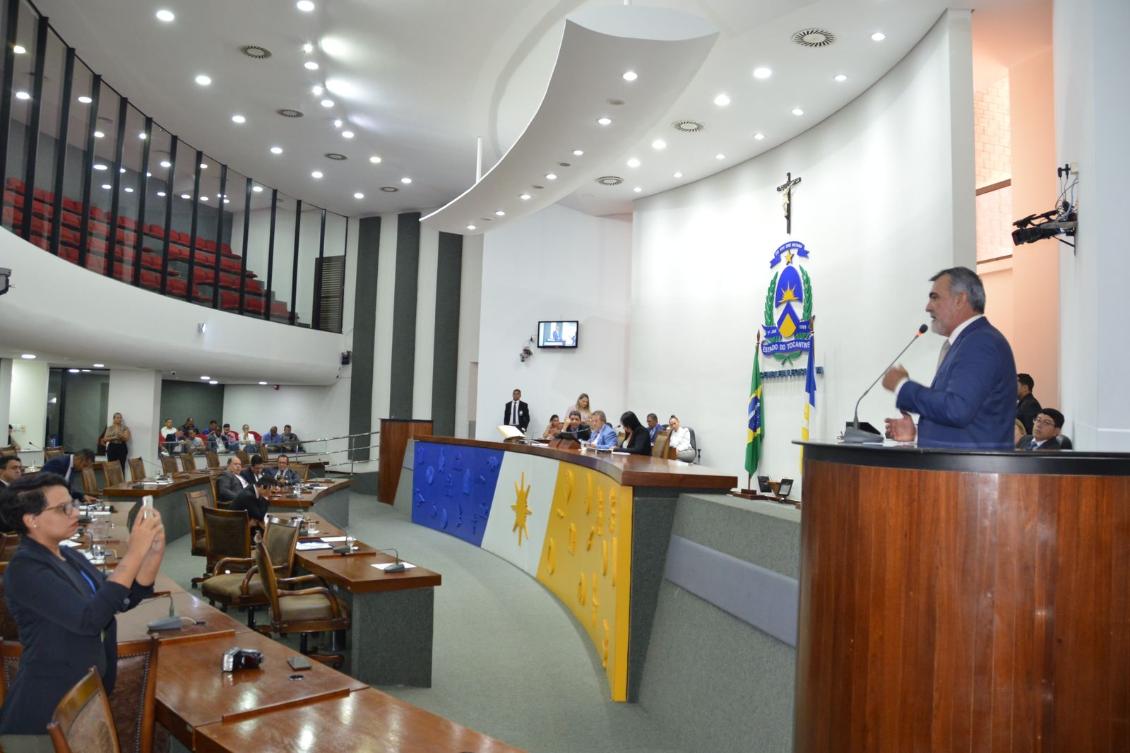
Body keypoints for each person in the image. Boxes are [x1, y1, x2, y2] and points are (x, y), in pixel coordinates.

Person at [0, 473, 164, 735]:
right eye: (63, 508)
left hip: (82, 699)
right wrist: (134, 552)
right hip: (45, 710)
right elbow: (89, 619)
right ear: (32, 520)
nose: (74, 511)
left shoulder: (68, 555)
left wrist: (152, 553)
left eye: (73, 503)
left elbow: (121, 598)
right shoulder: (25, 568)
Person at [881, 267, 1017, 449]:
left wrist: (902, 386)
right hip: (963, 471)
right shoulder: (965, 342)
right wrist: (917, 433)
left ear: (960, 300)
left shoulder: (981, 342)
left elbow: (957, 409)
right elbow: (968, 417)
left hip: (972, 474)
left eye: (935, 297)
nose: (927, 307)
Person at [216, 457, 269, 522]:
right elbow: (224, 491)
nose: (238, 466)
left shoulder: (240, 475)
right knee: (261, 512)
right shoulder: (226, 475)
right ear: (228, 465)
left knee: (265, 502)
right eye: (235, 464)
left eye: (240, 464)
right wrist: (240, 498)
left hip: (249, 499)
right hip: (240, 504)